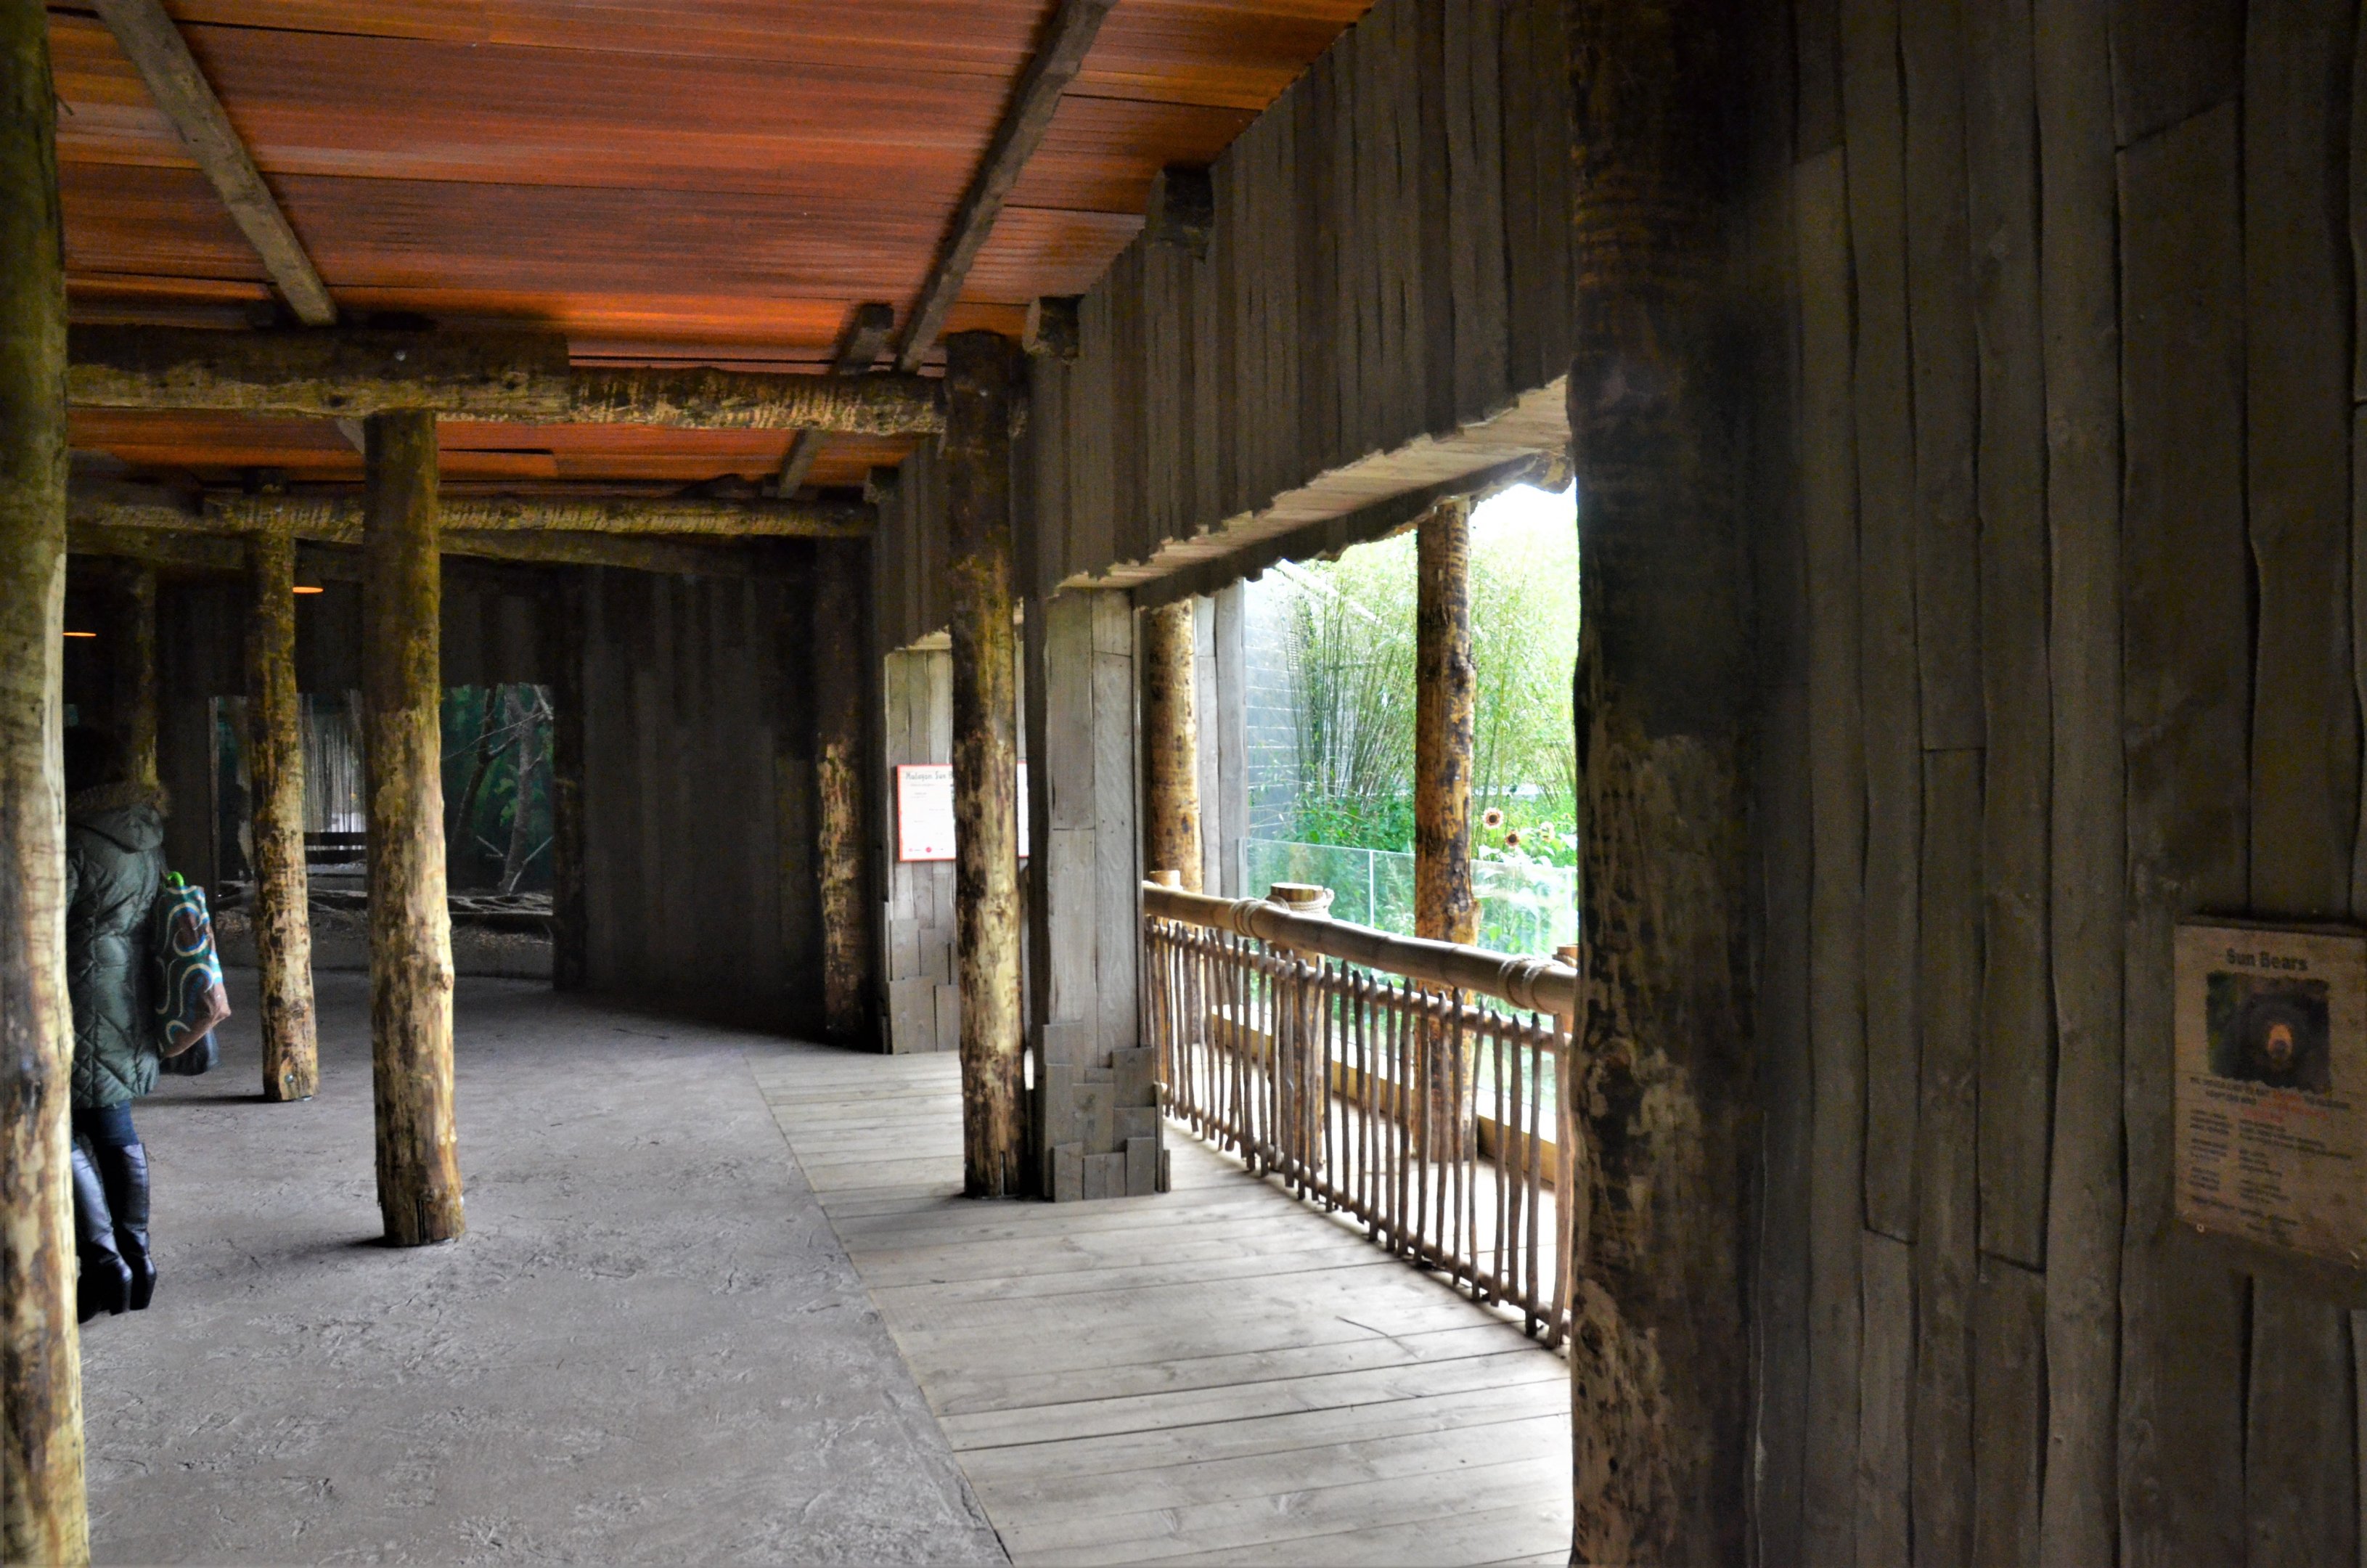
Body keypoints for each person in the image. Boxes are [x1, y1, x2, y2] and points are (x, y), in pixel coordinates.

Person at [63, 724, 166, 1320]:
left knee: (62, 1132)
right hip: (131, 990)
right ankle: (137, 1255)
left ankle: (104, 1266)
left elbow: (40, 918)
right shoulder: (146, 832)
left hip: (80, 993)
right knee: (114, 1123)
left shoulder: (73, 839)